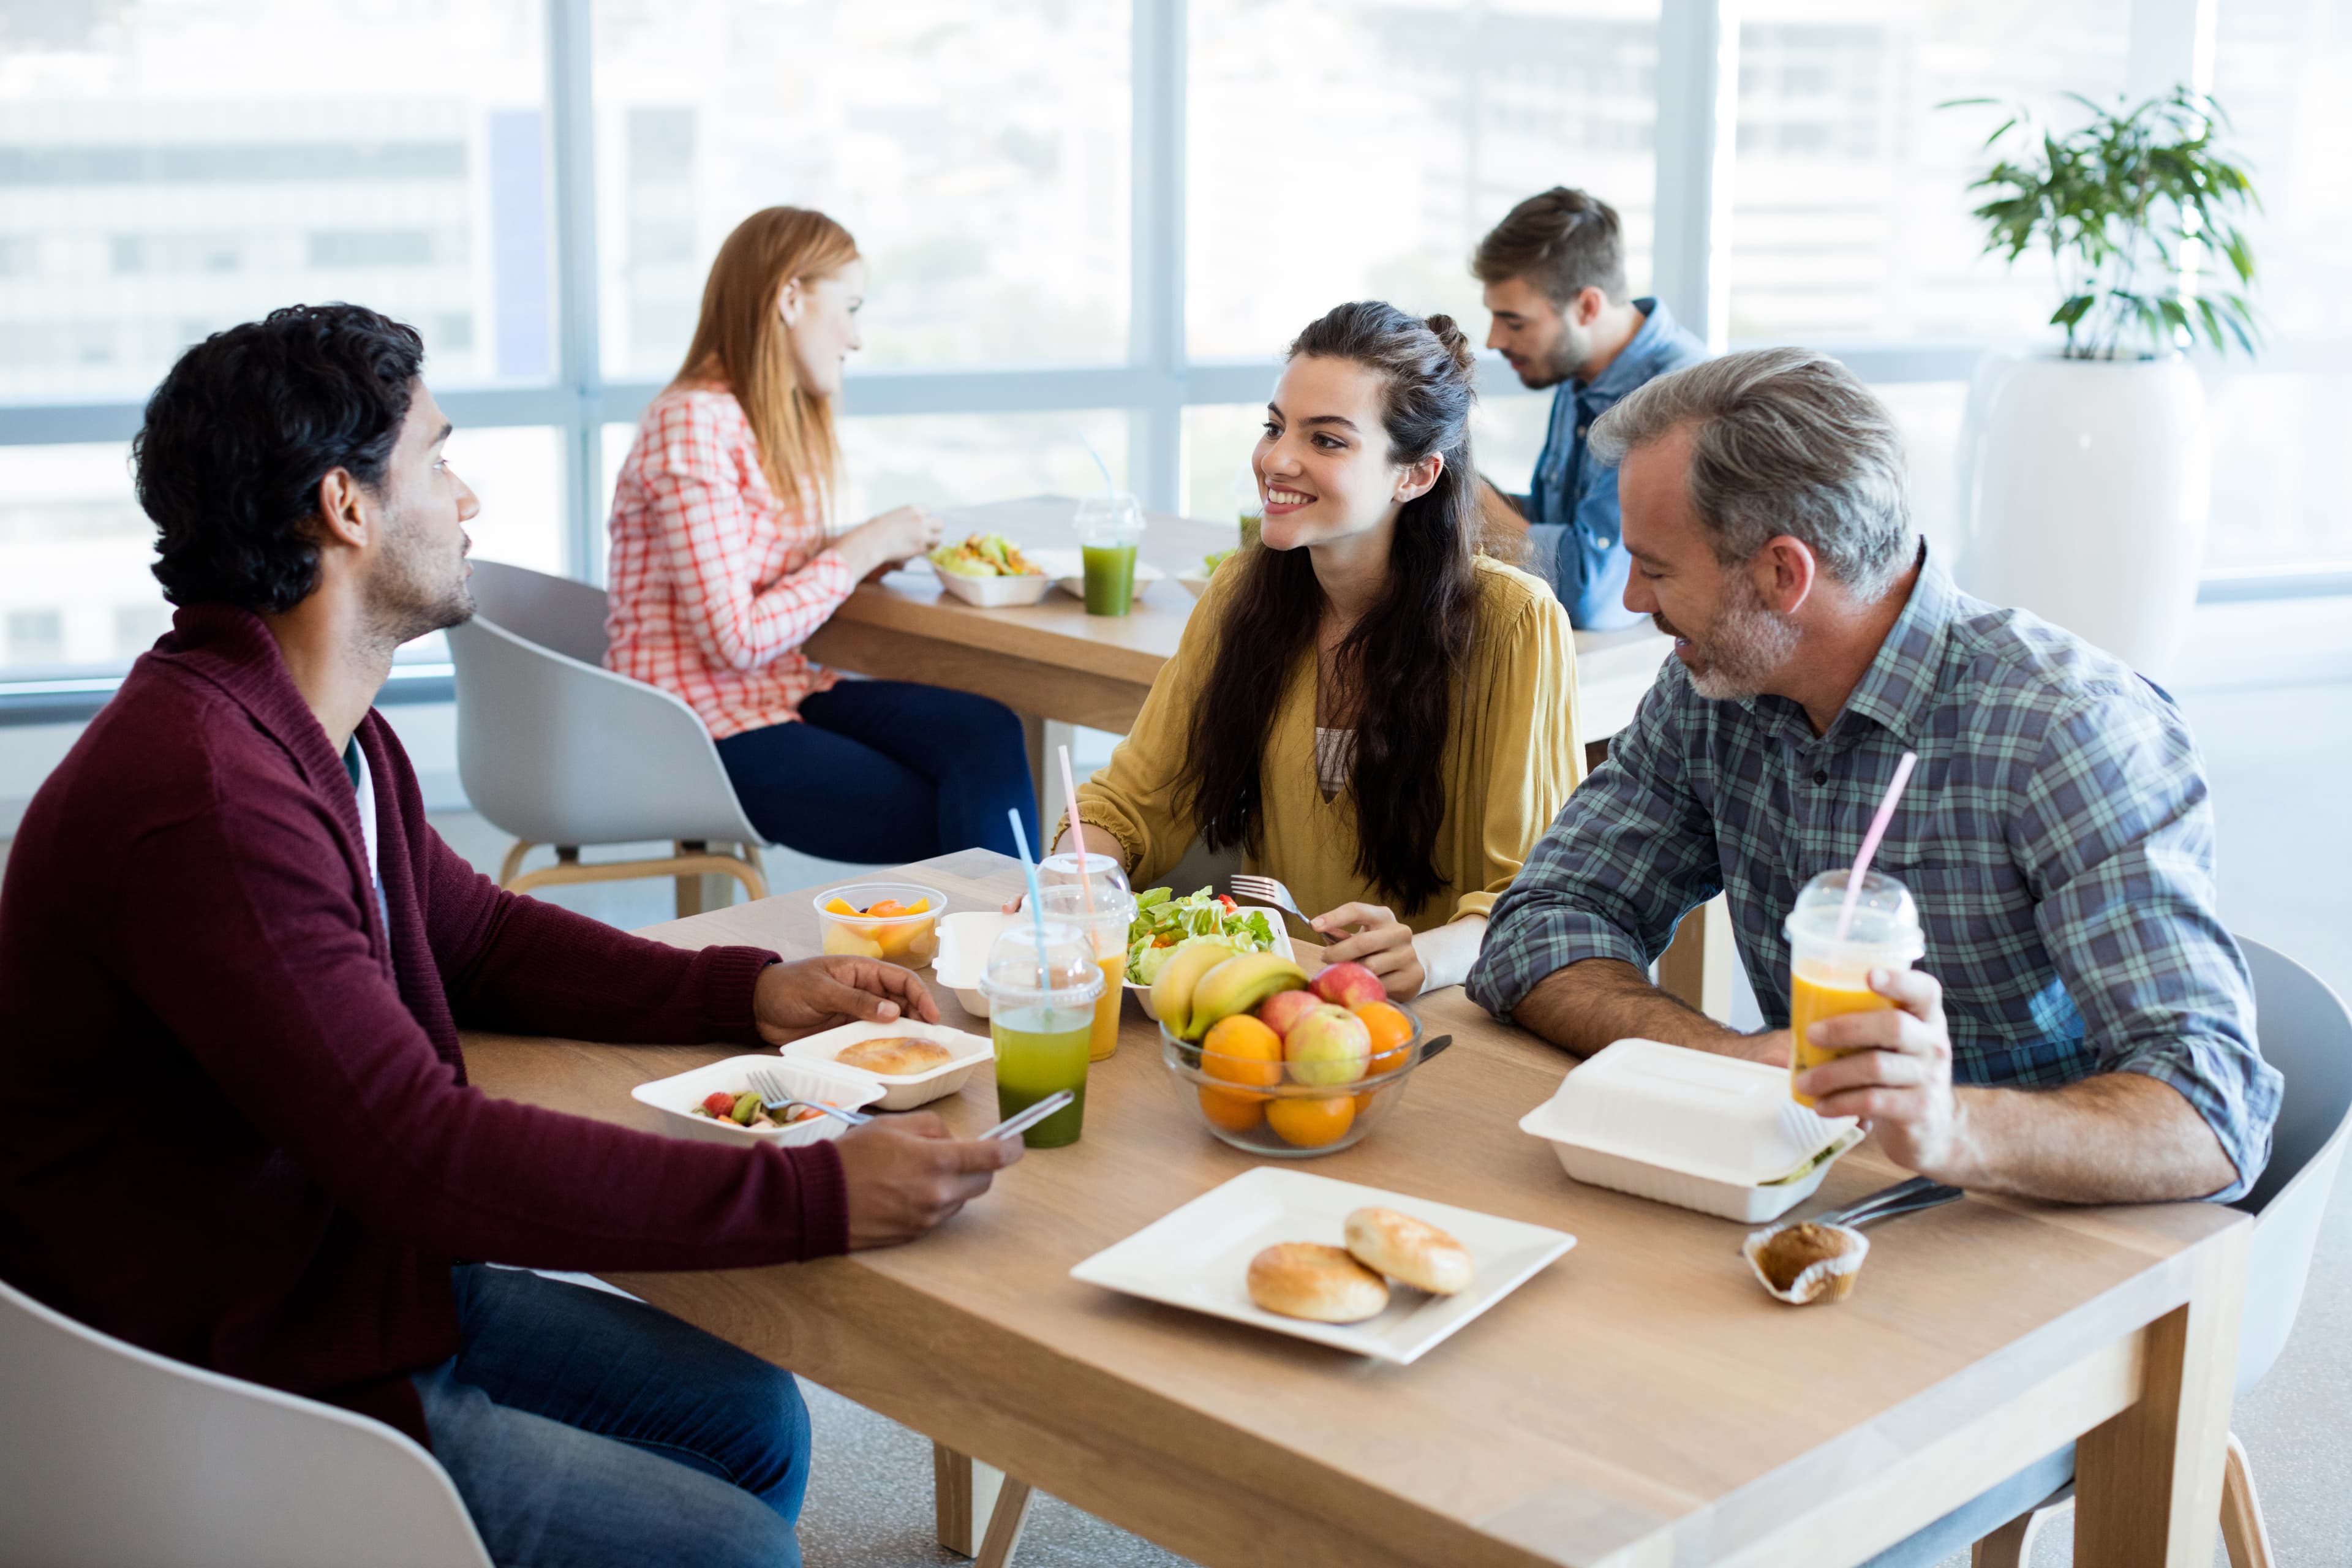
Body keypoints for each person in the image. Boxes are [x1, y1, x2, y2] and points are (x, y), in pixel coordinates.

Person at [0, 304, 1023, 1568]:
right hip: (218, 1364)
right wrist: (810, 1190)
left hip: (330, 1270)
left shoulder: (320, 730)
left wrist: (750, 993)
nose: (468, 493)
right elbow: (417, 1152)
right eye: (438, 458)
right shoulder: (211, 794)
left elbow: (474, 935)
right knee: (729, 1549)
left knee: (753, 1420)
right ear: (347, 507)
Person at [1468, 347, 2280, 1208]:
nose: (1631, 599)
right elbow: (1541, 924)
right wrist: (1725, 1056)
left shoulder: (2070, 731)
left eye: (1658, 568)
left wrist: (1951, 1128)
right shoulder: (1714, 689)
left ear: (1784, 574)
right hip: (1821, 1195)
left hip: (2032, 1219)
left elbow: (2211, 1115)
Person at [1060, 301, 1583, 999]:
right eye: (1275, 428)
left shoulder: (1518, 623)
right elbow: (1129, 803)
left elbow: (1534, 897)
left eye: (1327, 441)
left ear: (1417, 475)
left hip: (1448, 1016)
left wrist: (1426, 956)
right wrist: (1073, 882)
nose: (1277, 460)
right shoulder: (1241, 590)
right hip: (1277, 1001)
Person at [605, 206, 1038, 861]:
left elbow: (748, 561)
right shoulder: (692, 422)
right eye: (852, 307)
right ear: (788, 298)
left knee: (987, 733)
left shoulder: (758, 421)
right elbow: (735, 637)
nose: (856, 339)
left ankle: (1008, 949)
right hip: (698, 727)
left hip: (778, 693)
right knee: (961, 814)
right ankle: (1011, 950)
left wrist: (862, 554)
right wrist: (856, 548)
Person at [1473, 186, 1708, 631]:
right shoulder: (1578, 369)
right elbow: (1558, 524)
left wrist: (1476, 501)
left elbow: (1596, 594)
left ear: (1587, 306)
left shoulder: (1674, 398)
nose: (1494, 341)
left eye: (1514, 321)